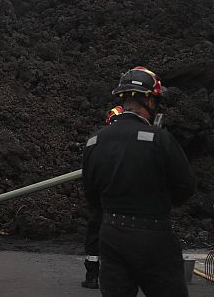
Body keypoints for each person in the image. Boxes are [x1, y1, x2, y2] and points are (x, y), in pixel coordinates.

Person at [82, 67, 195, 297]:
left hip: (111, 235)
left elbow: (90, 193)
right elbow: (186, 187)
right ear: (149, 100)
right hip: (153, 236)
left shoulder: (94, 142)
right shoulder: (159, 139)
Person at [81, 105, 123, 290]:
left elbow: (87, 177)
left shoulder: (95, 142)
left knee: (95, 236)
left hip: (99, 200)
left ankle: (92, 277)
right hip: (124, 203)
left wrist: (92, 200)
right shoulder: (135, 142)